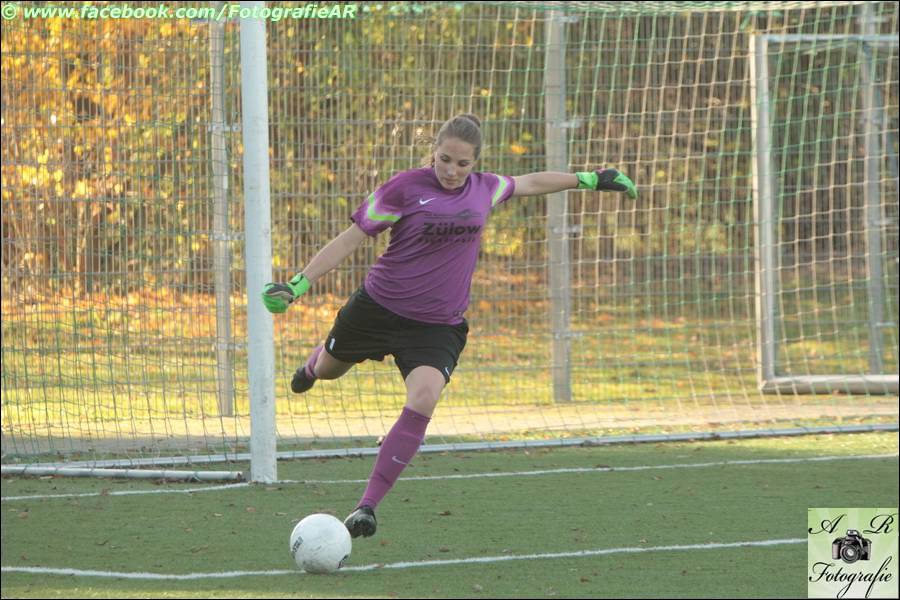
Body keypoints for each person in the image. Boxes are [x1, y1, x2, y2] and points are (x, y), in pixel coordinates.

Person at [262, 114, 637, 538]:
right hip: (377, 309)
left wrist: (590, 179)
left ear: (475, 163)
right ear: (434, 153)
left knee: (424, 398)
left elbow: (531, 182)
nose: (452, 171)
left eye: (463, 164)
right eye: (445, 160)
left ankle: (367, 506)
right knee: (330, 370)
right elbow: (351, 238)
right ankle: (312, 367)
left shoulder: (485, 188)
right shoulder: (404, 187)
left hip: (436, 327)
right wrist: (298, 284)